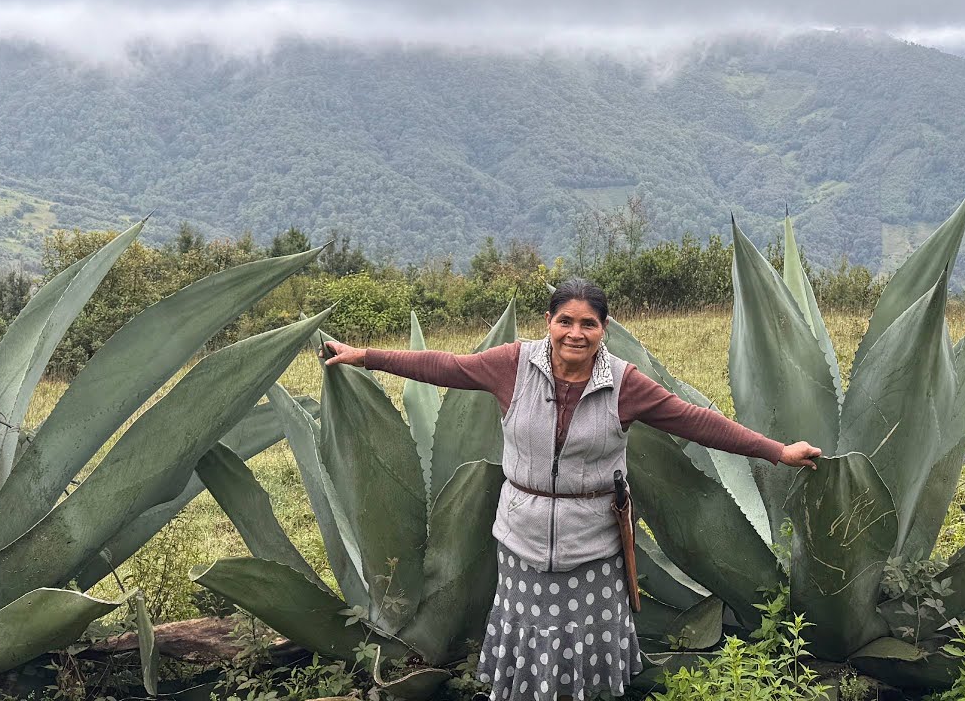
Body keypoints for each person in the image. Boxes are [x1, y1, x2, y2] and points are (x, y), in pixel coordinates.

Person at [324, 278, 822, 701]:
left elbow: (697, 422)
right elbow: (446, 367)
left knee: (584, 642)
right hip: (522, 535)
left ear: (604, 330)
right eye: (566, 321)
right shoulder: (513, 364)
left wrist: (778, 451)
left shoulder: (625, 384)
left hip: (592, 542)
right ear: (548, 321)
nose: (576, 334)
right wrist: (365, 356)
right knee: (531, 639)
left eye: (589, 324)